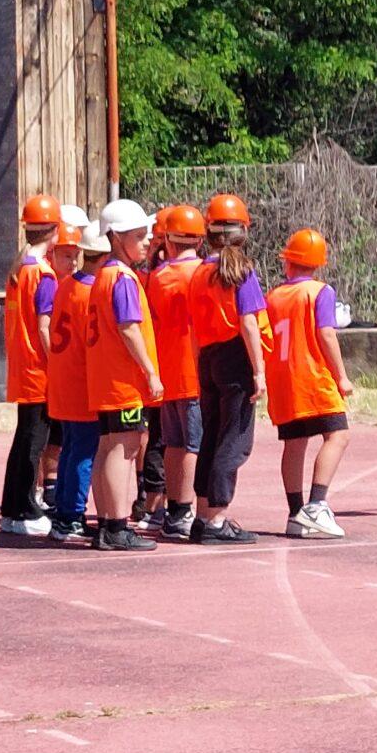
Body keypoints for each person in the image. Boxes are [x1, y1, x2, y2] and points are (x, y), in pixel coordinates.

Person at [186, 194, 268, 544]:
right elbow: (248, 323)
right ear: (243, 230)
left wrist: (198, 366)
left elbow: (193, 328)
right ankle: (217, 519)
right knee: (234, 439)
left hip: (208, 357)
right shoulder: (240, 272)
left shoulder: (198, 273)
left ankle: (203, 514)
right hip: (235, 357)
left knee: (211, 435)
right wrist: (259, 371)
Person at [265, 228, 355, 539]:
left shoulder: (273, 295)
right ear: (317, 263)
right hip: (313, 377)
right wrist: (341, 375)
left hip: (283, 379)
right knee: (338, 435)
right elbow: (326, 334)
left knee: (294, 443)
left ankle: (295, 513)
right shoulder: (320, 292)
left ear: (288, 261)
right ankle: (316, 505)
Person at [85, 200, 163, 553]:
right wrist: (150, 372)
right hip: (123, 381)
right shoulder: (123, 278)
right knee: (125, 448)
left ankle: (107, 523)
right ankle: (117, 525)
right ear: (117, 238)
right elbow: (129, 328)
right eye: (138, 235)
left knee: (107, 448)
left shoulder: (103, 275)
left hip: (105, 378)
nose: (146, 242)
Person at [0, 195, 64, 536]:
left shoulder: (19, 269)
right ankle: (24, 509)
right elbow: (44, 326)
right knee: (33, 443)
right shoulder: (44, 274)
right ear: (54, 231)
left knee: (24, 440)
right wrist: (58, 364)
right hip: (39, 368)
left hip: (23, 365)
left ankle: (13, 509)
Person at [142, 204, 210, 540]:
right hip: (196, 372)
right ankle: (185, 510)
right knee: (194, 445)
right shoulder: (204, 273)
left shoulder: (158, 277)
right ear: (200, 240)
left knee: (172, 443)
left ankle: (174, 511)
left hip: (167, 371)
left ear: (168, 240)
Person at [44, 222, 100, 545]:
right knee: (82, 451)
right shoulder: (91, 292)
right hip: (81, 380)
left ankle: (64, 512)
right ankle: (71, 516)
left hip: (63, 377)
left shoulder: (66, 285)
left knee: (71, 447)